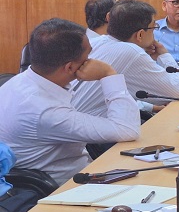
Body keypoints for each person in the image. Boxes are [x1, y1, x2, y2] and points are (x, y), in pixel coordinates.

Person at [0, 19, 140, 185]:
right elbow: (127, 130)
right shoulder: (45, 110)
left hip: (81, 171)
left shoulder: (20, 82)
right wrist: (108, 74)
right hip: (67, 187)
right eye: (87, 56)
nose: (92, 60)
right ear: (70, 68)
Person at [73, 0, 179, 118]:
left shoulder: (96, 42)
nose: (154, 32)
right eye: (153, 27)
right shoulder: (132, 52)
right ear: (140, 34)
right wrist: (164, 56)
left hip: (72, 120)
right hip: (90, 125)